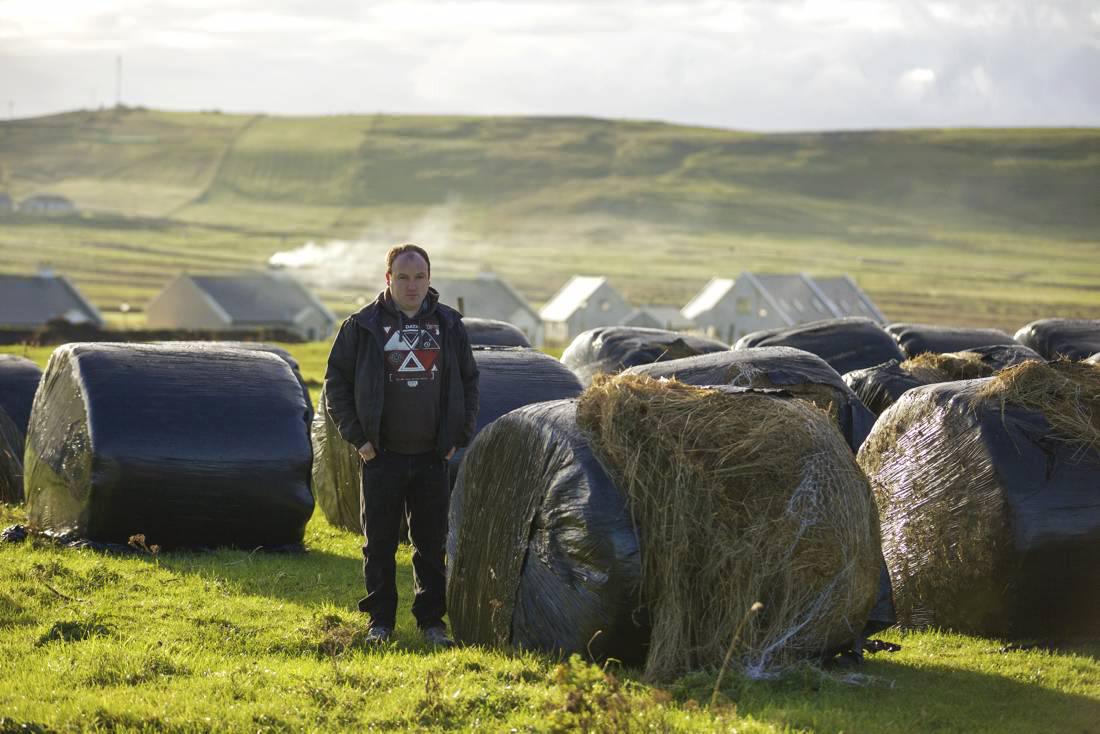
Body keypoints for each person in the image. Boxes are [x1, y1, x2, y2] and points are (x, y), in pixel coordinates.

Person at [324, 243, 479, 647]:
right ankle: (380, 623)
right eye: (404, 277)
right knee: (378, 546)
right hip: (381, 456)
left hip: (432, 456)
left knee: (431, 545)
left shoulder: (449, 325)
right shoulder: (361, 326)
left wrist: (457, 437)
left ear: (429, 279)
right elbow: (335, 383)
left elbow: (469, 381)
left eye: (420, 277)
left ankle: (432, 623)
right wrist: (359, 439)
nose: (412, 285)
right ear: (388, 278)